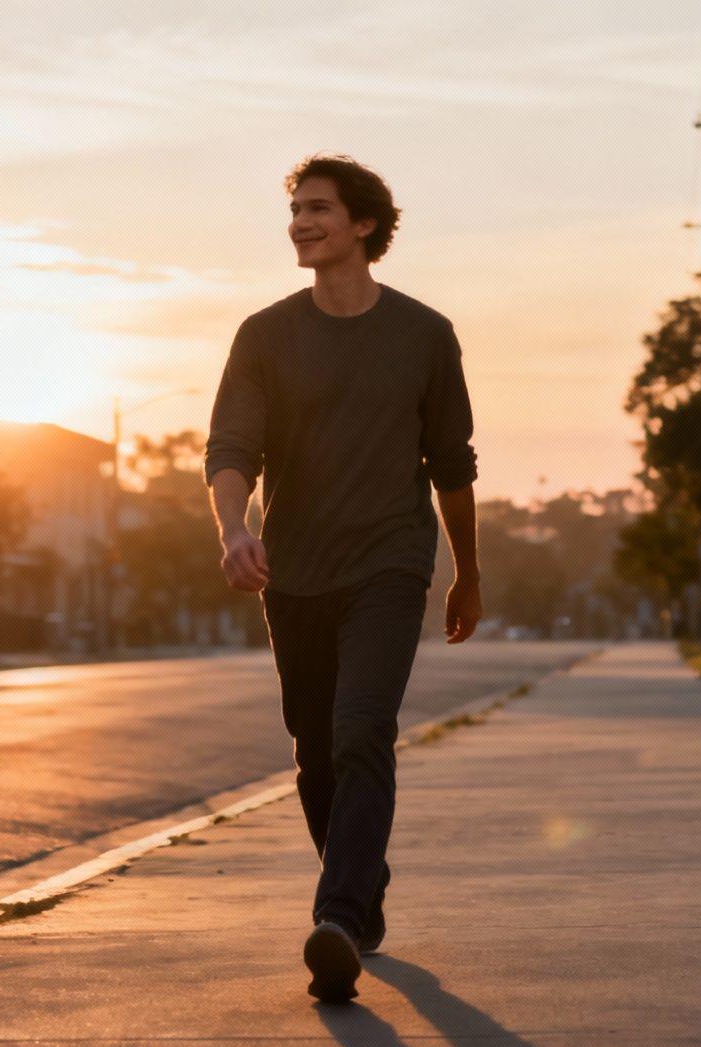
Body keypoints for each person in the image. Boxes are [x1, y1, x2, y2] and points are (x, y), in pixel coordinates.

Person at [205, 153, 482, 1004]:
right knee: (316, 753)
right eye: (294, 211)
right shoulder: (265, 335)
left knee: (363, 730)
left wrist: (467, 574)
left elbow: (452, 464)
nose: (300, 223)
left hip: (391, 564)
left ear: (364, 224)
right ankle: (365, 888)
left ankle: (339, 918)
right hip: (296, 572)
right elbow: (230, 452)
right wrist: (233, 530)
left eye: (318, 209)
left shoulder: (424, 334)